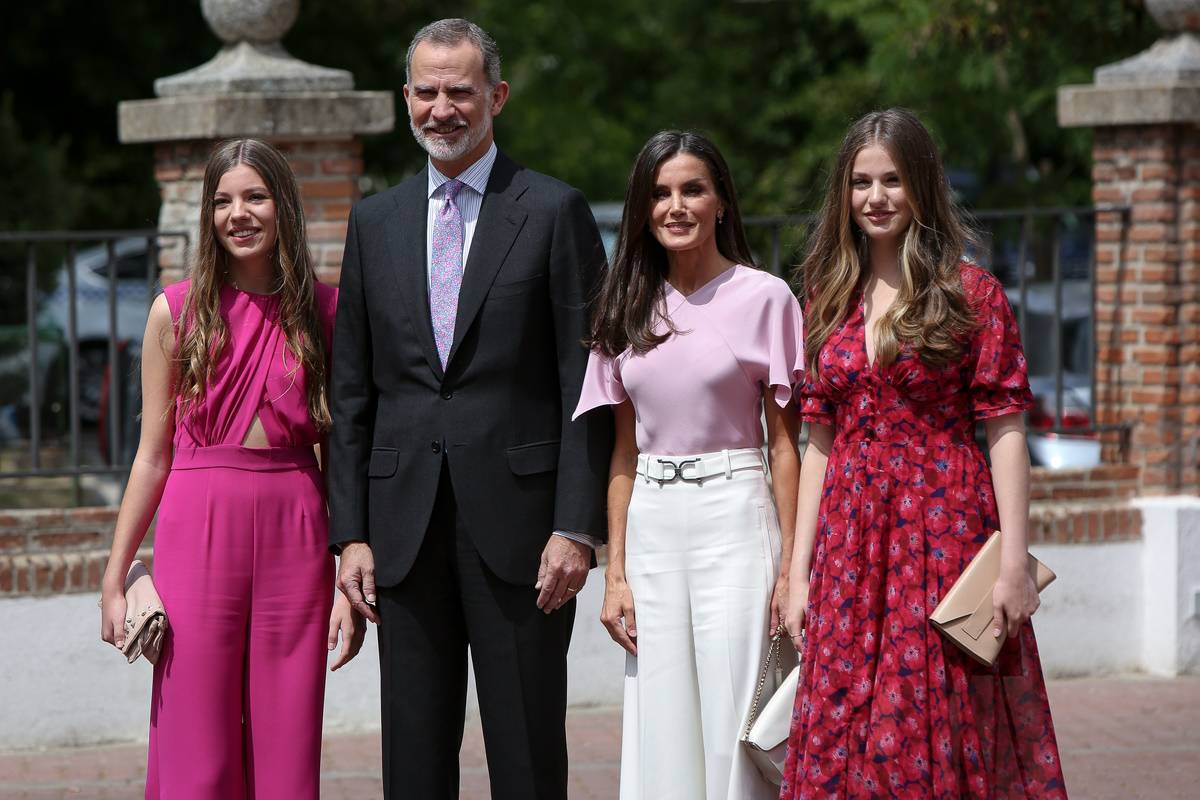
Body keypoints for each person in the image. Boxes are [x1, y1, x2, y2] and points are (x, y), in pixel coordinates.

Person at [327, 18, 612, 800]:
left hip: (525, 536)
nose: (443, 108)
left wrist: (576, 527)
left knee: (525, 752)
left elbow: (584, 380)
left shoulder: (554, 212)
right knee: (412, 759)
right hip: (402, 533)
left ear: (497, 96)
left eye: (461, 90)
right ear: (406, 98)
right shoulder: (373, 223)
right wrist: (348, 535)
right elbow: (351, 391)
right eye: (427, 91)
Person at [778, 108, 1067, 798]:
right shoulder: (828, 295)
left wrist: (1013, 565)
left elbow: (1005, 431)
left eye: (893, 181)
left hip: (942, 533)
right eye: (861, 182)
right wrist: (796, 574)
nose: (875, 198)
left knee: (937, 716)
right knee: (846, 724)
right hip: (850, 543)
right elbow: (817, 440)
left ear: (922, 187)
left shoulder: (972, 294)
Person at [98, 137, 362, 799]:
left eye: (254, 196)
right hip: (196, 529)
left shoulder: (328, 315)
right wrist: (114, 574)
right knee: (195, 745)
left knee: (287, 743)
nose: (237, 213)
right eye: (222, 200)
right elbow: (151, 455)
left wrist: (347, 570)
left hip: (295, 533)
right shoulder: (176, 311)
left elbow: (342, 456)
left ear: (284, 208)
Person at [573, 130, 802, 799]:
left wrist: (793, 567)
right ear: (643, 210)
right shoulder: (623, 308)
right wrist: (613, 573)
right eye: (660, 193)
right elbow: (622, 451)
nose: (677, 206)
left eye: (693, 189)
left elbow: (786, 444)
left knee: (739, 712)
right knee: (660, 714)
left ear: (722, 201)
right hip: (651, 524)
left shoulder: (767, 298)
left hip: (736, 515)